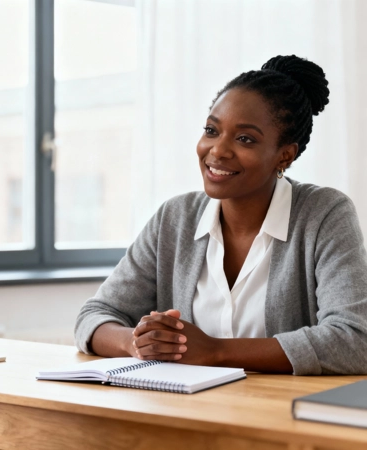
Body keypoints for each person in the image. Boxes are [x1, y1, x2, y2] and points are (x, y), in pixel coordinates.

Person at [75, 55, 367, 376]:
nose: (218, 150)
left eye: (245, 139)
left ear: (284, 155)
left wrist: (216, 351)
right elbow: (96, 315)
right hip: (191, 409)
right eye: (212, 130)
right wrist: (137, 342)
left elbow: (355, 339)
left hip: (282, 415)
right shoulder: (175, 217)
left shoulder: (323, 213)